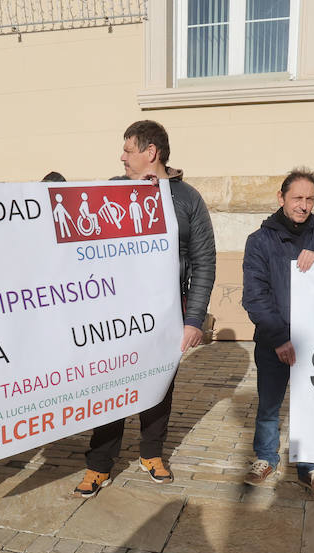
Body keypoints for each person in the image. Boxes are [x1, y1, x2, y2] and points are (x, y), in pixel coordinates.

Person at [74, 120, 215, 496]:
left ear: (150, 152)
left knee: (159, 385)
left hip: (166, 316)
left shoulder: (187, 199)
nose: (121, 156)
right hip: (116, 316)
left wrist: (194, 319)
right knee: (111, 386)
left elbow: (204, 261)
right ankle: (98, 465)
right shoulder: (111, 193)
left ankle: (151, 453)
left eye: (128, 149)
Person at [241, 168, 314, 497]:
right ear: (281, 198)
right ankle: (264, 457)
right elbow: (255, 297)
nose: (303, 205)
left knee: (313, 405)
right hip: (274, 340)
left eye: (309, 198)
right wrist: (279, 339)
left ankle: (310, 465)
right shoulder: (259, 241)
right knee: (269, 405)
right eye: (297, 198)